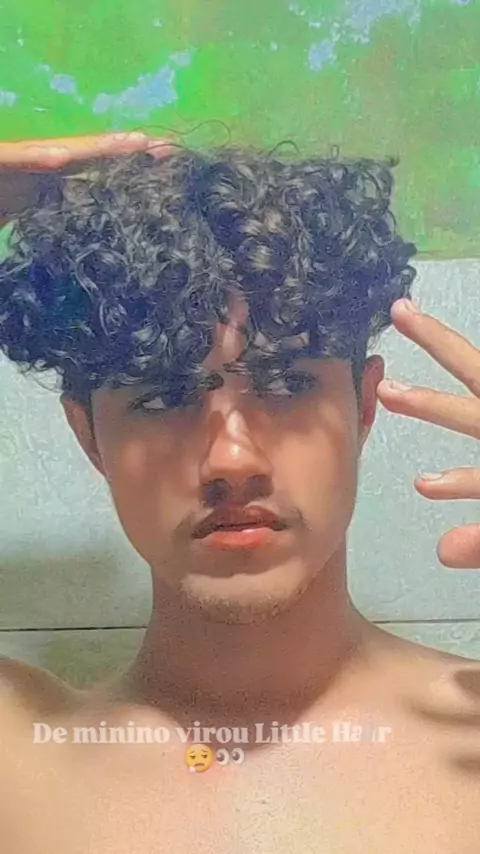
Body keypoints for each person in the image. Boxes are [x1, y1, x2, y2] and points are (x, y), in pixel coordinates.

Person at [0, 133, 479, 853]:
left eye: (286, 384)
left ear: (363, 407)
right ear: (88, 435)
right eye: (163, 398)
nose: (232, 459)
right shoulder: (18, 762)